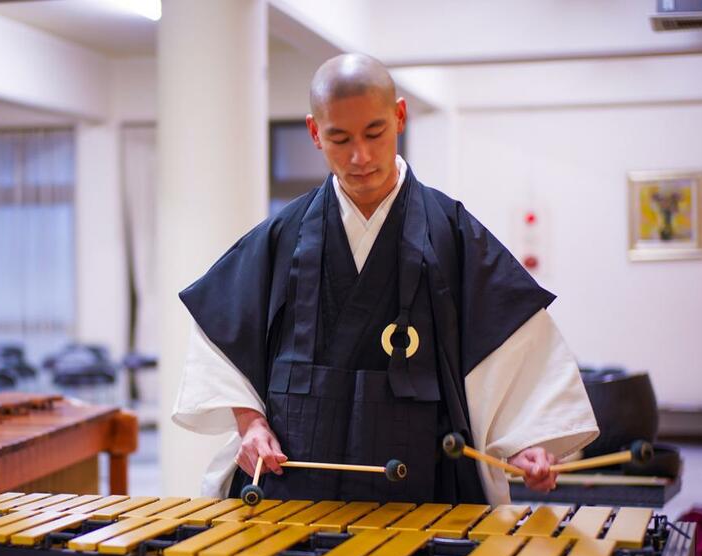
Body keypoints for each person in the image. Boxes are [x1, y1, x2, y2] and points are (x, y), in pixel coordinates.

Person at [173, 53, 598, 505]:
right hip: (295, 483)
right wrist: (250, 423)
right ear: (315, 133)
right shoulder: (285, 234)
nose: (361, 156)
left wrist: (529, 442)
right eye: (340, 138)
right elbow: (223, 342)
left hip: (423, 485)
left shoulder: (448, 230)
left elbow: (513, 344)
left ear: (399, 116)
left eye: (375, 133)